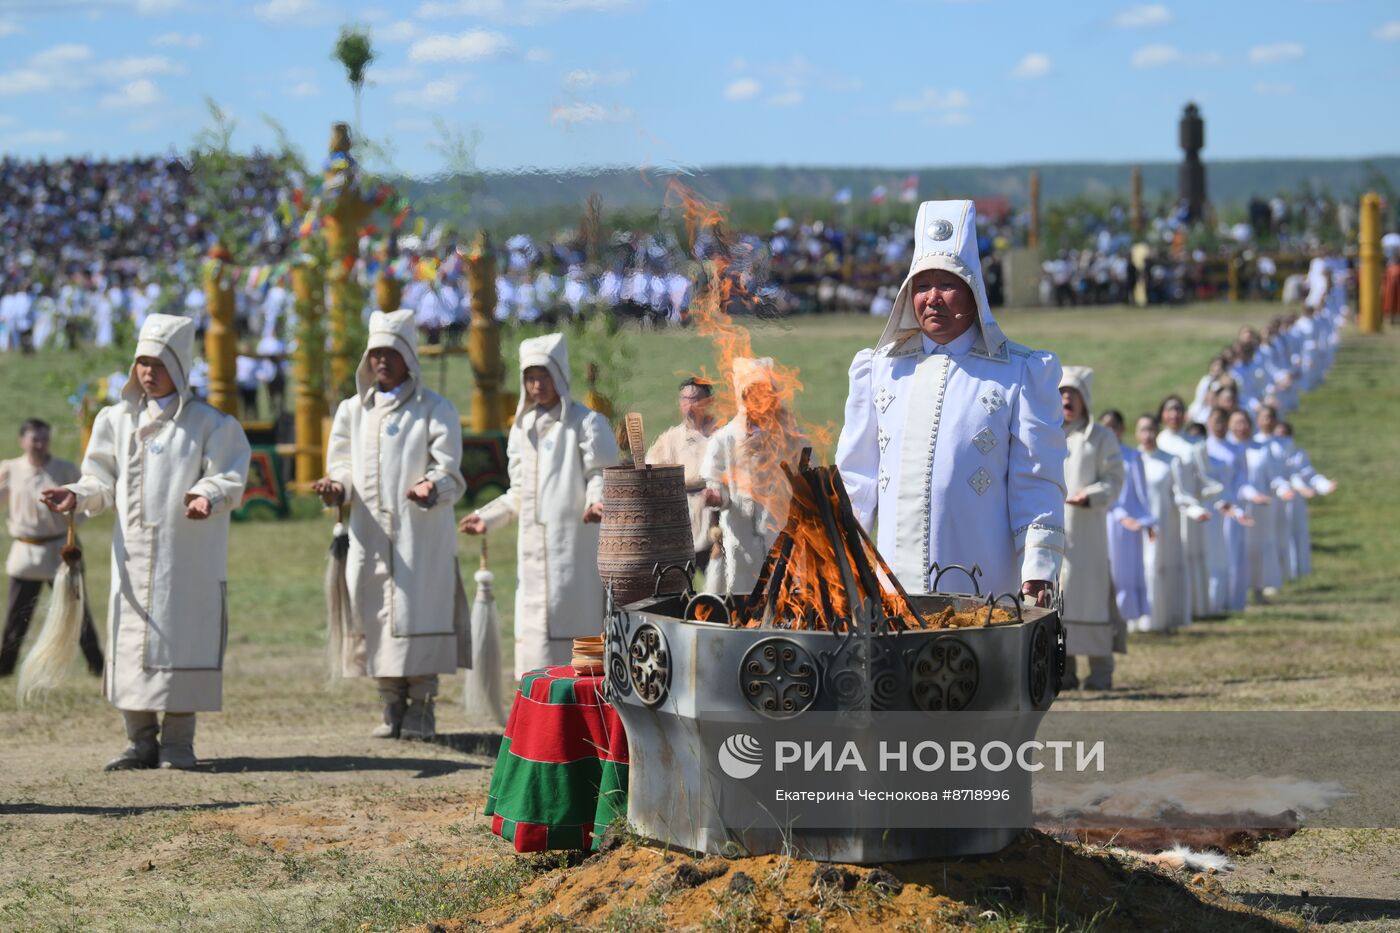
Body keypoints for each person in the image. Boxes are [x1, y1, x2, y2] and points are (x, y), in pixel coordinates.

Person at [41, 314, 250, 771]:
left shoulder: (210, 423)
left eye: (158, 363)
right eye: (141, 363)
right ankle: (139, 740)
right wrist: (73, 494)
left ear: (179, 365)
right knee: (130, 643)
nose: (148, 372)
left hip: (186, 560)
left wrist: (205, 495)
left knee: (182, 640)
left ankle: (178, 743)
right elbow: (99, 480)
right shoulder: (114, 420)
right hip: (131, 560)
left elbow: (230, 476)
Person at [835, 200, 1067, 605]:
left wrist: (1038, 567)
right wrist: (836, 557)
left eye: (947, 285)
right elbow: (856, 477)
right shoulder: (878, 370)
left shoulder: (1021, 372)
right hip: (892, 580)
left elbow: (1036, 477)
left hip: (984, 576)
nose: (933, 298)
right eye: (922, 286)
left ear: (974, 292)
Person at [316, 309, 470, 742]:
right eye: (375, 354)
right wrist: (335, 488)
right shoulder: (351, 411)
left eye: (391, 352)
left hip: (419, 535)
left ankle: (422, 707)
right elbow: (342, 466)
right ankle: (389, 705)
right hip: (368, 535)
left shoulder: (436, 409)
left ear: (408, 356)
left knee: (418, 610)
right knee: (375, 612)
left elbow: (450, 471)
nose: (381, 361)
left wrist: (430, 485)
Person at [461, 333, 620, 678]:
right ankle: (537, 710)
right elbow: (519, 492)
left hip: (573, 545)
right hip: (531, 554)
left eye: (544, 376)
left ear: (560, 375)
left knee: (575, 624)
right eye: (530, 378)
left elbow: (602, 473)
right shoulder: (523, 430)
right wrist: (487, 517)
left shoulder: (586, 423)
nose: (537, 385)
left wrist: (598, 502)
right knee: (533, 633)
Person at [0, 419, 103, 678]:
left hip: (60, 549)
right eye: (34, 439)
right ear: (22, 440)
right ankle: (5, 666)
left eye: (44, 439)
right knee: (16, 615)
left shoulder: (65, 470)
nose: (40, 444)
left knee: (77, 610)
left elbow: (85, 502)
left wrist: (69, 523)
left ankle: (97, 664)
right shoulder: (10, 469)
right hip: (26, 551)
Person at [701, 358, 809, 595]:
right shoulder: (725, 439)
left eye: (764, 391)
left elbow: (807, 474)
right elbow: (718, 486)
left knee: (783, 589)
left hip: (781, 526)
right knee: (742, 592)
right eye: (753, 392)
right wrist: (717, 497)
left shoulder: (790, 433)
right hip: (741, 533)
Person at [1057, 368, 1124, 689]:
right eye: (1061, 393)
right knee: (1059, 599)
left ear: (1085, 399)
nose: (1067, 399)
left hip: (1088, 533)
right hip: (1055, 534)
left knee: (1092, 597)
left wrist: (1092, 495)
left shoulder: (1101, 437)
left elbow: (1114, 479)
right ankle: (1064, 670)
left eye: (1073, 393)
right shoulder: (1046, 433)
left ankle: (1101, 670)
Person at [645, 377, 719, 572]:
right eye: (684, 399)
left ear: (708, 402)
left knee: (718, 582)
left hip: (715, 515)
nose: (689, 405)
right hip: (680, 518)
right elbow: (648, 471)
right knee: (679, 581)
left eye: (695, 399)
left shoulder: (720, 435)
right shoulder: (670, 439)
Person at [1156, 395, 1216, 619]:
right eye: (1169, 410)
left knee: (1191, 554)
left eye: (1178, 410)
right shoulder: (1159, 440)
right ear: (1162, 414)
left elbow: (1205, 479)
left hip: (1191, 509)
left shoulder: (1195, 445)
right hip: (1166, 510)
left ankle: (1195, 607)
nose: (1174, 415)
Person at [1100, 409, 1154, 629]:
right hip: (1104, 519)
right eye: (1106, 426)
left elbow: (1141, 493)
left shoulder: (1132, 456)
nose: (1110, 431)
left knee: (1127, 569)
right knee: (1108, 570)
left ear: (1121, 430)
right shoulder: (1098, 455)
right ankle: (1108, 617)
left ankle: (1127, 618)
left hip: (1129, 523)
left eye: (1114, 426)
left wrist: (1147, 520)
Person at [1136, 414, 1190, 632]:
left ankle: (1162, 618)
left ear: (1158, 432)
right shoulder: (1132, 459)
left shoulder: (1171, 460)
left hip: (1164, 526)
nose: (1148, 435)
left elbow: (1180, 494)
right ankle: (1139, 619)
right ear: (1136, 433)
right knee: (1142, 567)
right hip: (1137, 528)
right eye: (1143, 430)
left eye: (1151, 429)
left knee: (1160, 567)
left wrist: (1193, 509)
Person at [1205, 407, 1254, 613]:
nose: (1219, 426)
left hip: (1232, 509)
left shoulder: (1236, 449)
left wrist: (1251, 495)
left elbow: (1242, 478)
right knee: (1213, 554)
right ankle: (1212, 601)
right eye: (1215, 421)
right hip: (1210, 510)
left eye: (1223, 422)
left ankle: (1233, 601)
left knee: (1233, 554)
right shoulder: (1203, 449)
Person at [1273, 420, 1335, 578]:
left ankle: (1296, 572)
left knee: (1297, 534)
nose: (1281, 438)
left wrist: (1324, 486)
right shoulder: (1269, 453)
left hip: (1295, 502)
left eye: (1284, 434)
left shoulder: (1298, 454)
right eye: (1278, 434)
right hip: (1275, 501)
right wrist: (1300, 487)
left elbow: (1308, 474)